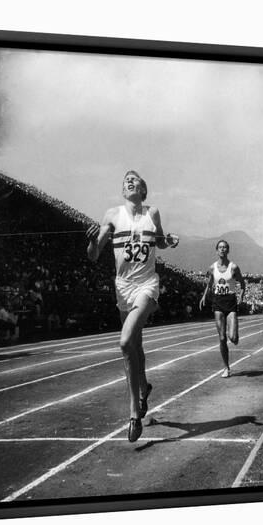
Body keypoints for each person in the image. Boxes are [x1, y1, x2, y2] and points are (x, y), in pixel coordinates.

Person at [86, 170, 179, 442]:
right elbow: (93, 256)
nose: (128, 182)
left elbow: (159, 241)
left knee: (126, 342)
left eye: (134, 179)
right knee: (136, 346)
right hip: (123, 287)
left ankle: (134, 412)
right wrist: (93, 241)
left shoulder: (154, 213)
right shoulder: (112, 215)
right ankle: (143, 388)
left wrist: (168, 242)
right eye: (125, 180)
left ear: (143, 189)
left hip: (147, 285)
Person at [199, 240, 245, 378]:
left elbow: (242, 284)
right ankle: (226, 368)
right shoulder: (212, 268)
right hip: (218, 302)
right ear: (216, 250)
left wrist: (241, 296)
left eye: (225, 247)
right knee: (222, 338)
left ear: (228, 250)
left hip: (230, 302)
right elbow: (209, 283)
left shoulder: (234, 267)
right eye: (220, 247)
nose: (222, 249)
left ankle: (235, 334)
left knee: (233, 337)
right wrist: (203, 297)